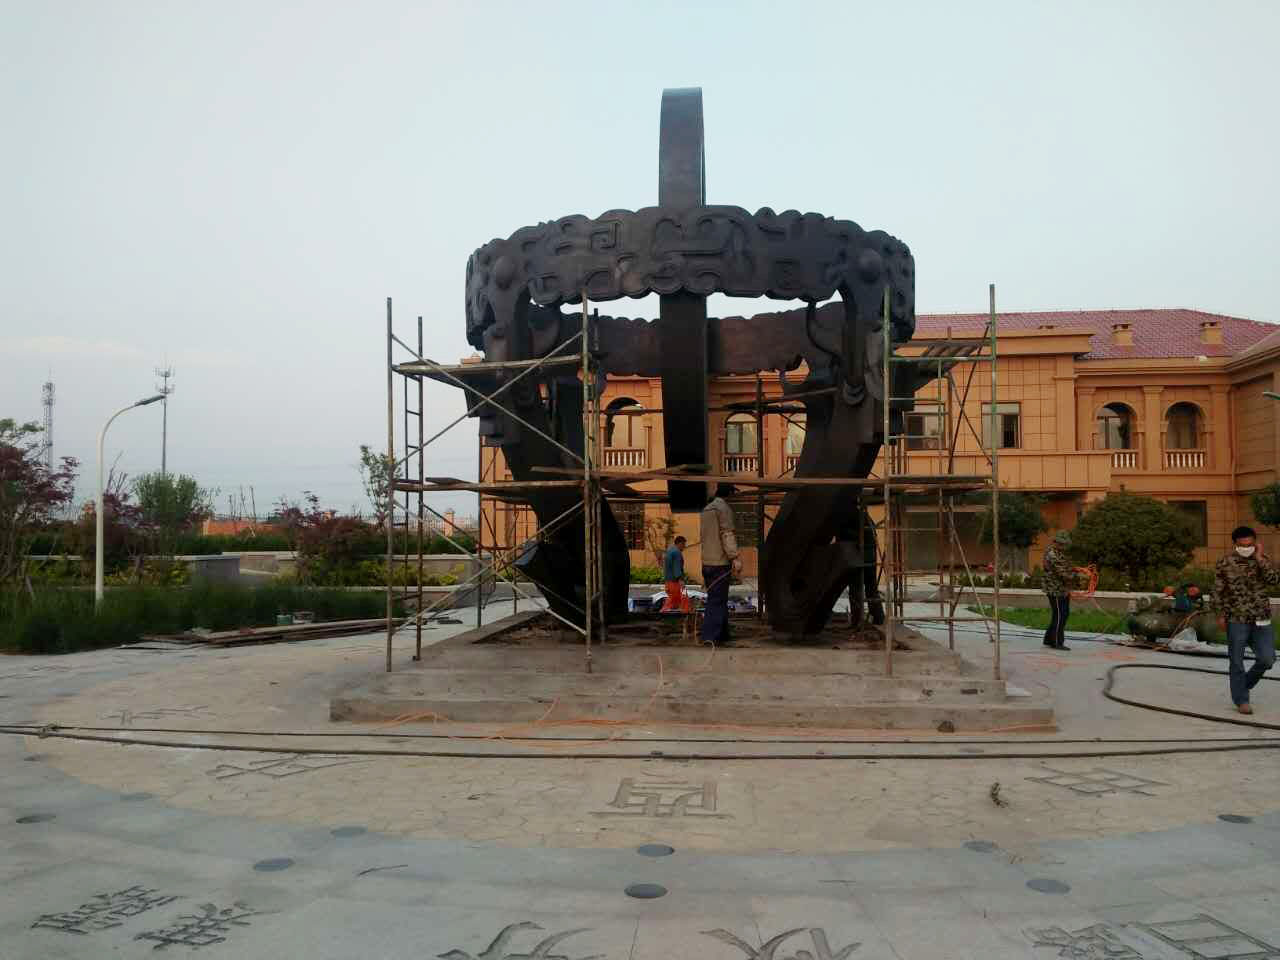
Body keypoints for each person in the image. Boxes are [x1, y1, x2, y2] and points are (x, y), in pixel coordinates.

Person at [1213, 525, 1279, 715]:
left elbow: (1274, 580)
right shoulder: (1225, 562)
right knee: (1236, 661)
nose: (1246, 548)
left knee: (1267, 659)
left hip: (1261, 618)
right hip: (1236, 618)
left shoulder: (1262, 559)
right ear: (1235, 544)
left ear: (1255, 543)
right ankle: (1242, 700)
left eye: (1249, 544)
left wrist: (1259, 558)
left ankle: (1243, 685)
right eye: (1242, 545)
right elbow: (1218, 590)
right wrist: (1220, 614)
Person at [700, 483, 742, 646]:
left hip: (707, 563)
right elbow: (727, 534)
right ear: (729, 494)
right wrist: (735, 557)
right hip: (719, 563)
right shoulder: (723, 508)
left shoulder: (706, 509)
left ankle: (723, 634)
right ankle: (710, 637)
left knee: (718, 599)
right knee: (717, 601)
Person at [1041, 530, 1079, 651]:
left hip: (1062, 589)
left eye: (1065, 544)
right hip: (1055, 590)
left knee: (1062, 613)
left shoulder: (1059, 553)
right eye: (1062, 544)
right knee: (1060, 615)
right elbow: (1063, 573)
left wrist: (1075, 570)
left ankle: (1049, 639)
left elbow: (1067, 567)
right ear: (1056, 542)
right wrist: (1078, 577)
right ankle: (1056, 642)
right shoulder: (1052, 555)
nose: (1065, 546)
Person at [660, 535, 691, 613]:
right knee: (683, 598)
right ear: (680, 543)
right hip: (675, 582)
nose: (684, 547)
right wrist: (680, 580)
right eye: (684, 544)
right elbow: (676, 567)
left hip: (668, 582)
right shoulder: (677, 553)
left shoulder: (669, 551)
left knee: (674, 600)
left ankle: (667, 613)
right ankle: (686, 614)